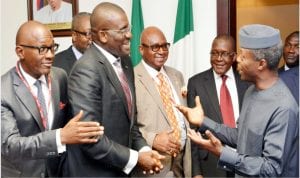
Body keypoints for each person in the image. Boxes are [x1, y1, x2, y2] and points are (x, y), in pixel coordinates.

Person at [177, 24, 299, 177]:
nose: (237, 60)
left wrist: (222, 153)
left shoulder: (284, 108)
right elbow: (241, 136)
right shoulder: (251, 91)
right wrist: (203, 121)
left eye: (243, 56)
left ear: (261, 64)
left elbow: (271, 169)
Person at [63, 2, 164, 177]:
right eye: (123, 30)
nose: (130, 35)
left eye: (129, 28)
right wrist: (136, 158)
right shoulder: (86, 70)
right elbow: (90, 138)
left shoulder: (125, 61)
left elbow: (130, 123)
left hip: (121, 171)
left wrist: (145, 150)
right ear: (103, 35)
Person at [1, 21, 104, 177]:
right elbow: (10, 146)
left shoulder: (60, 76)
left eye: (52, 48)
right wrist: (60, 137)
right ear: (20, 52)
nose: (50, 55)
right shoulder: (3, 90)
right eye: (42, 49)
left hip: (58, 172)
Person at [187, 35, 250, 177]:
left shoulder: (247, 82)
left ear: (234, 56)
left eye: (224, 54)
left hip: (243, 160)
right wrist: (196, 172)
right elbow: (192, 131)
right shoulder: (196, 83)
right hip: (210, 163)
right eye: (214, 53)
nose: (218, 58)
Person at [132, 26, 192, 177]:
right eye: (155, 47)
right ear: (141, 49)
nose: (162, 51)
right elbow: (124, 126)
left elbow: (184, 120)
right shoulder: (130, 79)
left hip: (182, 164)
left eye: (165, 45)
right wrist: (153, 140)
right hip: (154, 167)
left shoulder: (177, 76)